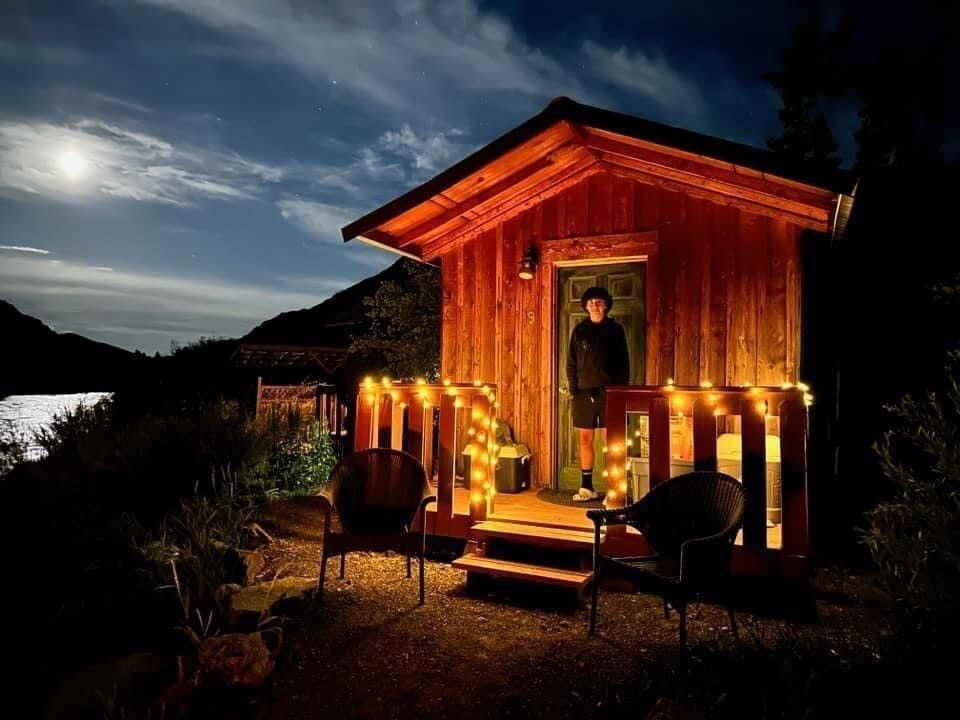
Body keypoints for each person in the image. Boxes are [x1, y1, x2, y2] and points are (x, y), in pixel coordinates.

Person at [566, 286, 630, 502]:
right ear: (585, 306)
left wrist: (620, 392)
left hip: (610, 393)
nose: (595, 304)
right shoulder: (579, 331)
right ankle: (586, 488)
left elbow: (624, 362)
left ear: (606, 305)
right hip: (583, 394)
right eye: (591, 301)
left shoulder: (615, 330)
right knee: (585, 439)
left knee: (609, 441)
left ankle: (613, 490)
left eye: (599, 301)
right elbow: (571, 363)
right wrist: (574, 389)